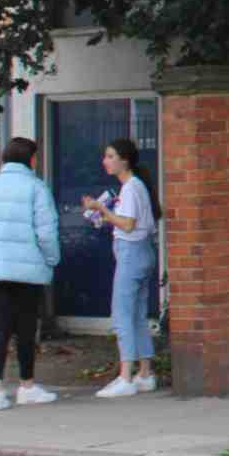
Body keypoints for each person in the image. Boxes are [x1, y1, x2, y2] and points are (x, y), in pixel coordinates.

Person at [0, 136, 61, 410]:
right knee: (25, 328)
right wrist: (51, 260)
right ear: (31, 159)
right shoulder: (36, 187)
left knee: (0, 327)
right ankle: (26, 385)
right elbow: (46, 232)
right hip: (27, 269)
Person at [81, 137, 159, 396]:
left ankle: (125, 376)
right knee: (137, 314)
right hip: (143, 252)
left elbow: (127, 224)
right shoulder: (136, 187)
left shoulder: (130, 188)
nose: (105, 161)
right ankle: (144, 372)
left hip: (131, 253)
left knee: (122, 313)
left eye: (110, 156)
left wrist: (101, 208)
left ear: (124, 161)